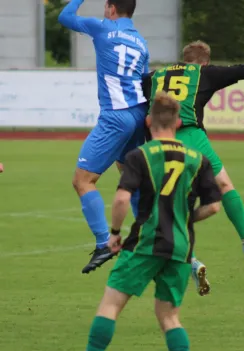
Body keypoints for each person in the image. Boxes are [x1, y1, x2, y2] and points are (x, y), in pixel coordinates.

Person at [55, 91, 222, 351]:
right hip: (181, 248)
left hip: (144, 243)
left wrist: (115, 233)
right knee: (169, 316)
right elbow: (213, 206)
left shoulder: (140, 155)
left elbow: (121, 199)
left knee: (110, 305)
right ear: (178, 122)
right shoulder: (197, 159)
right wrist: (184, 220)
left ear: (148, 121)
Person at [142, 40, 244, 295]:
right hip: (194, 138)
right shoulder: (204, 73)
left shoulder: (154, 76)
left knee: (173, 207)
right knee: (225, 185)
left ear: (183, 57)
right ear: (205, 62)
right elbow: (241, 70)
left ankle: (192, 260)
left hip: (163, 142)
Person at [58, 0, 149, 273]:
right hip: (138, 115)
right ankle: (151, 234)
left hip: (115, 117)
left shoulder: (102, 27)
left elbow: (65, 16)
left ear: (110, 8)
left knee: (83, 180)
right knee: (129, 176)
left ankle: (103, 243)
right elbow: (144, 80)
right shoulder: (141, 42)